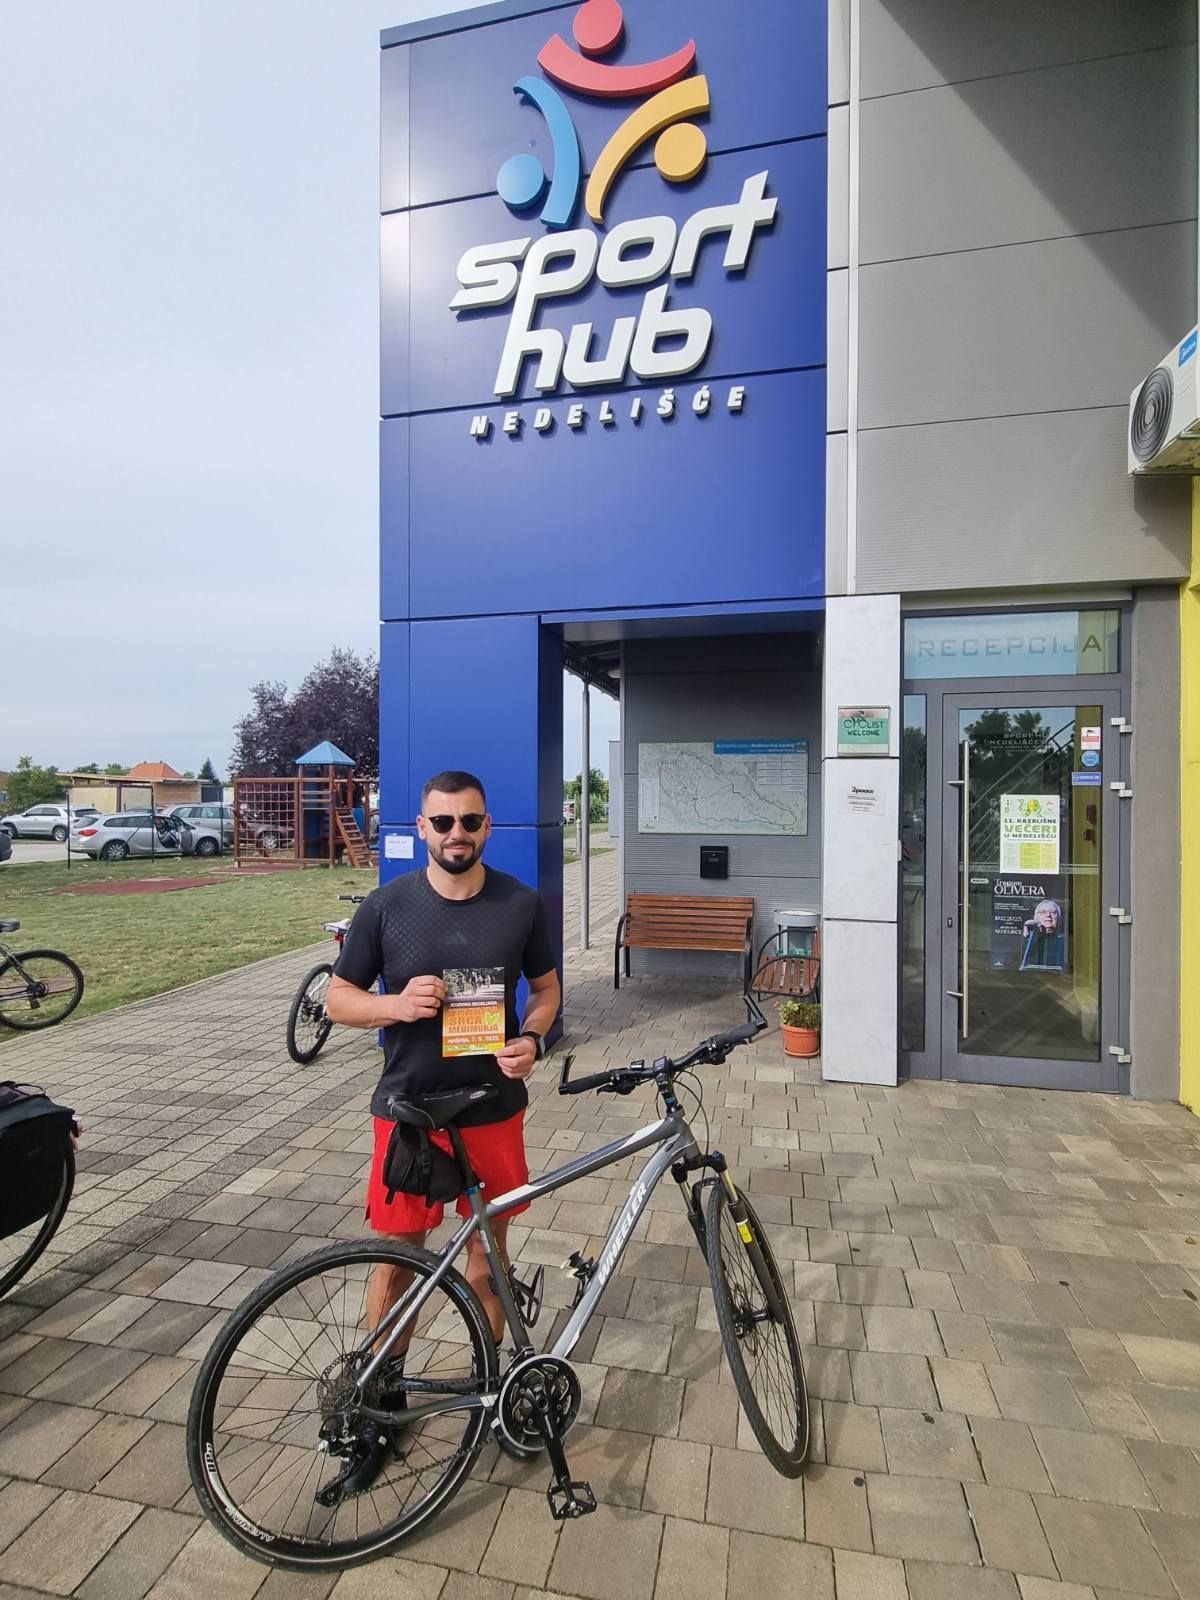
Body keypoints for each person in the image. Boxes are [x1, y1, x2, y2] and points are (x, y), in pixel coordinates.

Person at [324, 768, 560, 1490]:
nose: (458, 833)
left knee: (487, 1260)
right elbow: (337, 998)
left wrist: (533, 1039)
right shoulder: (387, 906)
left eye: (471, 821)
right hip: (410, 1114)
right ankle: (380, 1403)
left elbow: (546, 990)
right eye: (444, 821)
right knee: (398, 1261)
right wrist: (393, 1007)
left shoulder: (520, 904)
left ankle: (490, 1392)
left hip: (492, 1110)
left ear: (488, 826)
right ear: (422, 827)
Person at [1020, 899, 1065, 971]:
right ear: (1035, 918)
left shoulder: (1064, 941)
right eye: (1043, 912)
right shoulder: (1029, 939)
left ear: (1059, 918)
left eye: (1053, 912)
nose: (1048, 915)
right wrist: (1027, 936)